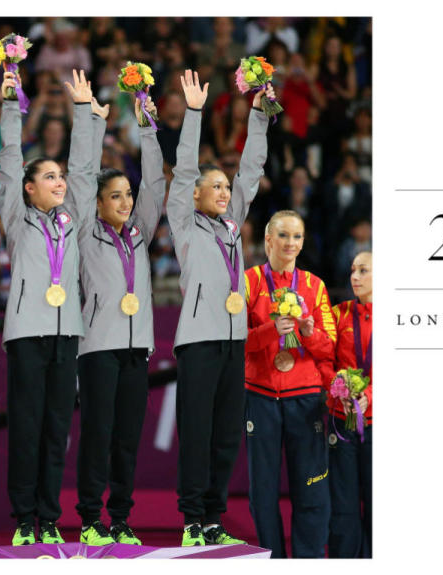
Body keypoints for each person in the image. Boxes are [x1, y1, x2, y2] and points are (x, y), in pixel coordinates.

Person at [167, 69, 270, 546]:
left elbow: (251, 168)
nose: (226, 193)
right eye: (216, 188)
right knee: (197, 433)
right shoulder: (185, 224)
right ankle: (191, 521)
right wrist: (193, 114)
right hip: (198, 341)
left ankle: (213, 519)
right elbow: (185, 168)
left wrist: (261, 113)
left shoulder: (231, 226)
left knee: (227, 437)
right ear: (195, 195)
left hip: (234, 342)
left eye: (227, 189)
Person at [0, 69, 87, 546]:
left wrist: (87, 114)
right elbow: (10, 161)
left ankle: (49, 518)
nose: (60, 181)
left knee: (56, 433)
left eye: (60, 176)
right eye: (49, 176)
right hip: (27, 334)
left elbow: (87, 171)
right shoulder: (17, 217)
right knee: (27, 430)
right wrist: (12, 104)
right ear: (29, 188)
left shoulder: (73, 222)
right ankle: (23, 519)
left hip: (67, 333)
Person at [73, 85, 165, 546]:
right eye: (115, 196)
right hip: (96, 348)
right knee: (98, 434)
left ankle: (121, 518)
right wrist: (94, 123)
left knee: (127, 438)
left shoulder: (138, 235)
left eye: (127, 196)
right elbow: (82, 174)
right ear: (97, 203)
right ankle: (90, 518)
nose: (126, 203)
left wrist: (147, 125)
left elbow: (156, 185)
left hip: (135, 349)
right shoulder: (87, 233)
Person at [242, 210, 336, 558]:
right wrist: (270, 331)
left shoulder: (314, 286)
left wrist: (309, 335)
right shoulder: (249, 281)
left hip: (305, 399)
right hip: (261, 397)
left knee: (311, 487)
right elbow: (235, 340)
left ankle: (308, 560)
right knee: (262, 492)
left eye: (297, 237)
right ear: (268, 239)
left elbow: (330, 349)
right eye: (284, 236)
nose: (291, 244)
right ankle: (272, 561)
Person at [326, 250, 373, 558]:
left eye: (363, 271)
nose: (354, 276)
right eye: (353, 270)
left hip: (378, 424)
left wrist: (373, 396)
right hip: (341, 423)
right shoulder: (338, 313)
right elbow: (323, 361)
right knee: (342, 505)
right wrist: (337, 390)